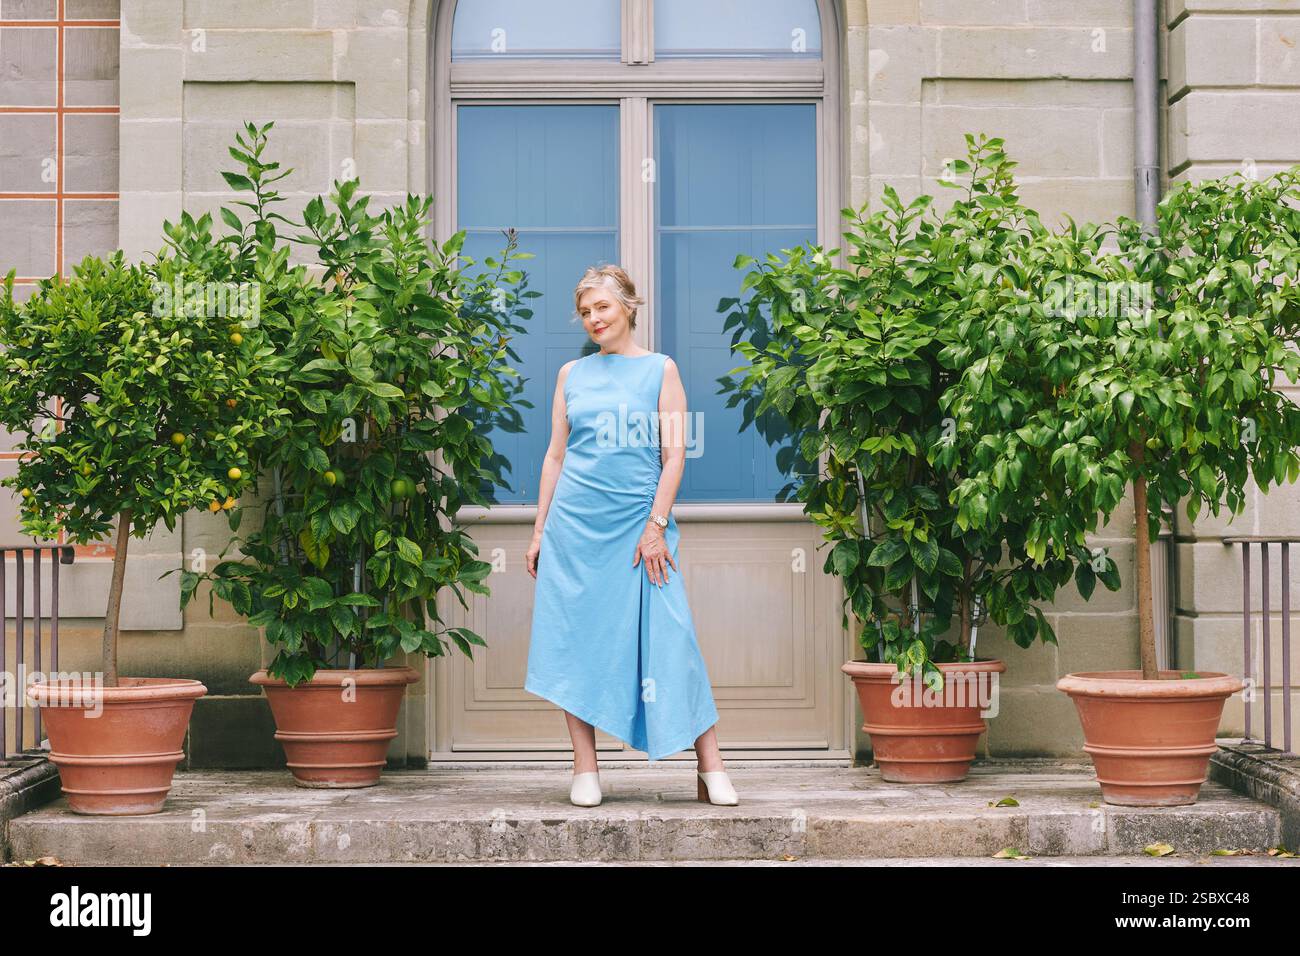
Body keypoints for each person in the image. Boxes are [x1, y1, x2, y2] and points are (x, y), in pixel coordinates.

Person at [524, 264, 738, 808]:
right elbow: (555, 455)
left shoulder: (661, 370)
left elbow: (674, 457)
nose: (594, 319)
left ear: (628, 307)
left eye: (603, 307)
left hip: (642, 530)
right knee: (576, 641)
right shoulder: (571, 375)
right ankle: (585, 768)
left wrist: (655, 528)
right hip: (574, 530)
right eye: (586, 311)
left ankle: (710, 766)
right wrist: (539, 530)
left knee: (673, 642)